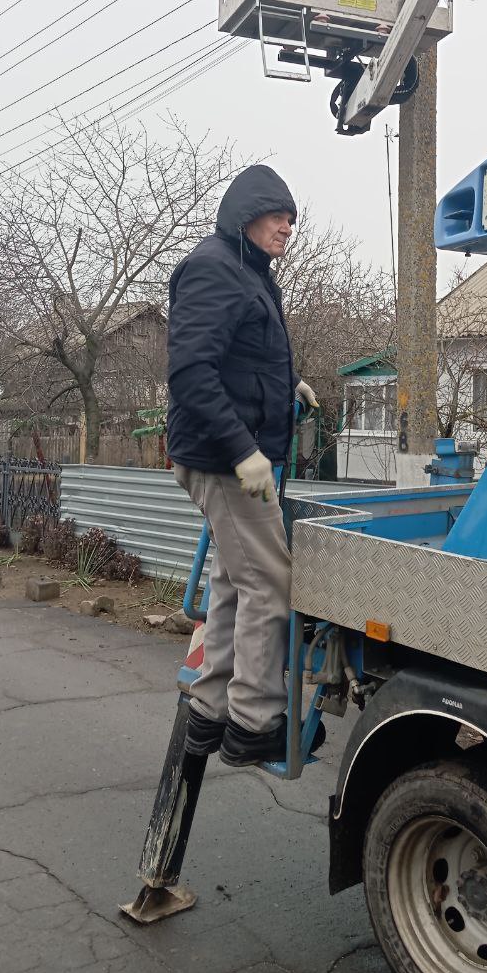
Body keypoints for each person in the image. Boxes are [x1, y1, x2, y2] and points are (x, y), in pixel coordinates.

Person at [167, 165, 319, 767]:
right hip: (224, 461)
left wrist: (290, 384)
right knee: (270, 580)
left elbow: (240, 359)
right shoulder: (214, 268)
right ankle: (256, 718)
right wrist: (244, 451)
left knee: (234, 576)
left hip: (234, 457)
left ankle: (210, 708)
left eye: (291, 219)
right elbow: (191, 375)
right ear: (246, 215)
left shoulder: (248, 273)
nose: (288, 226)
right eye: (279, 215)